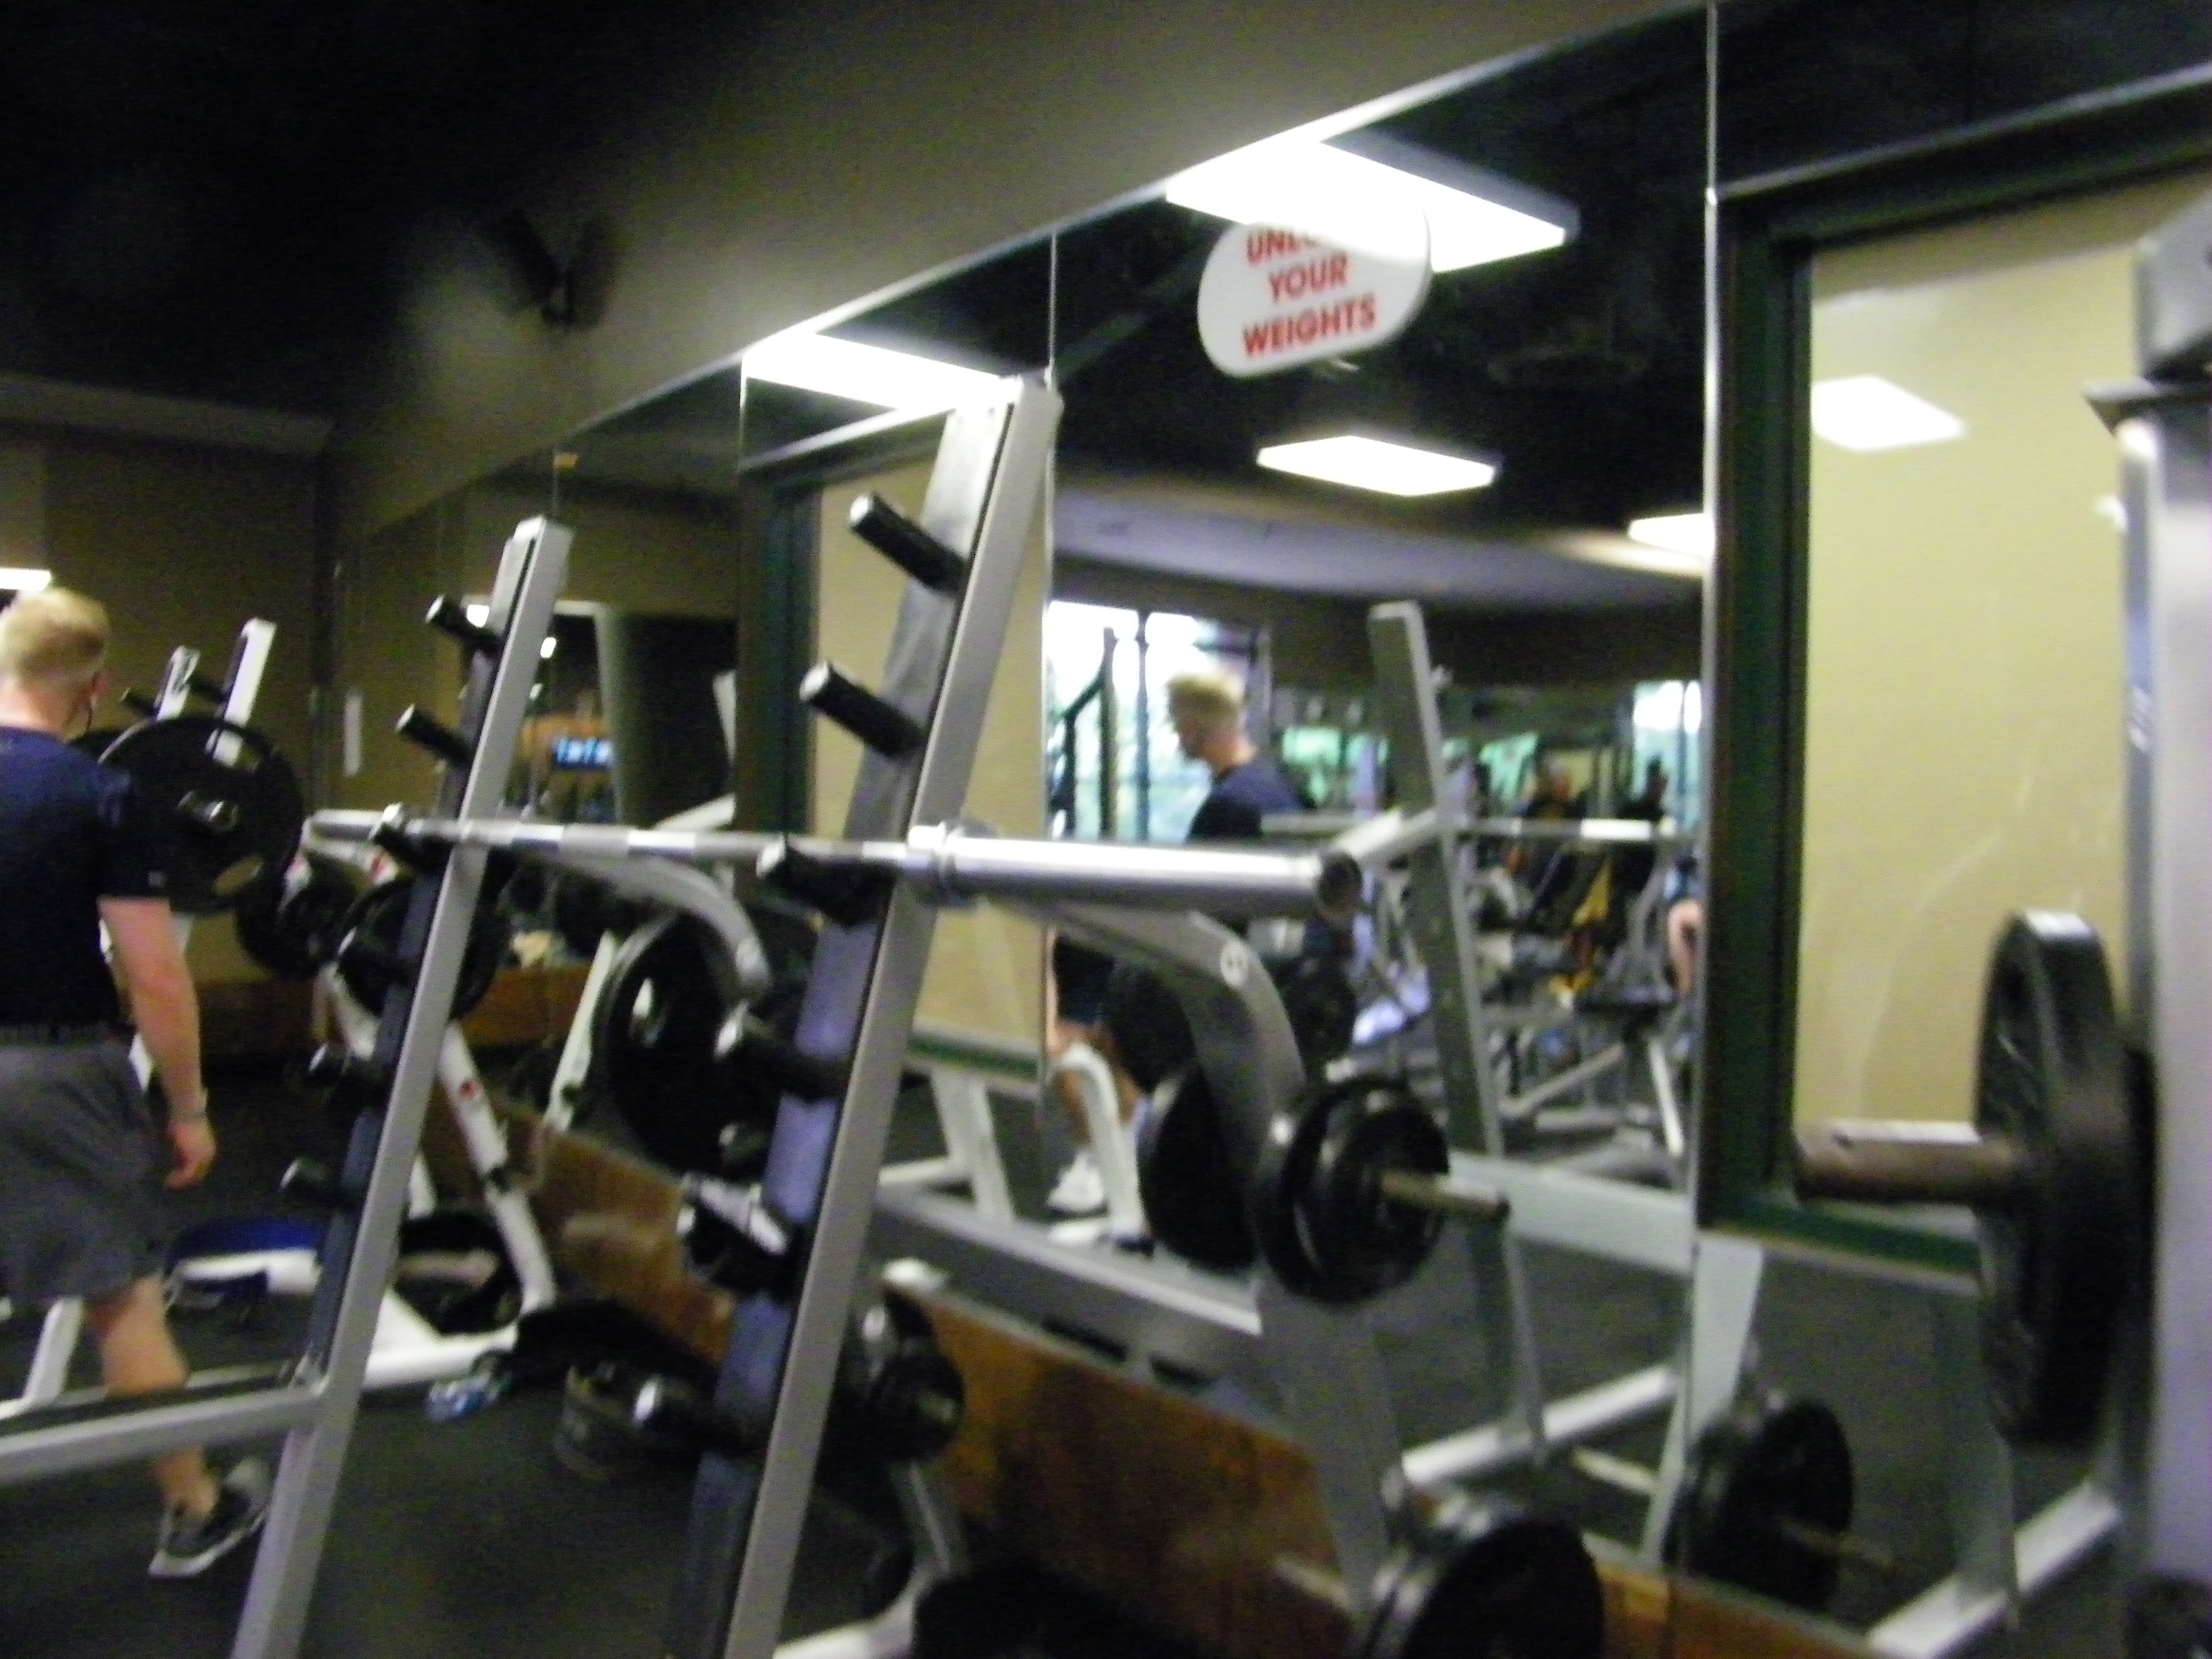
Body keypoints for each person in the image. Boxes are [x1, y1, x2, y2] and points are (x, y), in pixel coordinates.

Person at [0, 588, 271, 1577]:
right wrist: (189, 1109)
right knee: (122, 1301)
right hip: (54, 1071)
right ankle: (194, 1512)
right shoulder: (98, 793)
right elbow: (154, 975)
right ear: (95, 687)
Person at [1165, 671, 1307, 841]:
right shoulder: (1285, 781)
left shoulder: (1226, 809)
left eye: (1176, 724)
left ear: (1192, 727)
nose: (1176, 733)